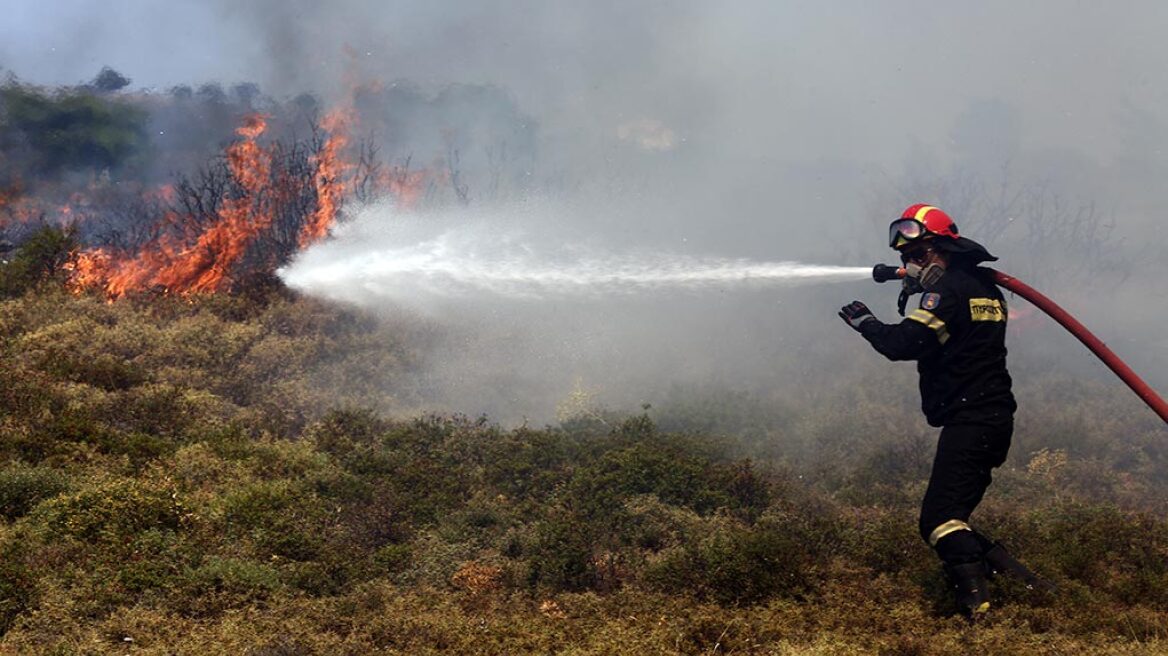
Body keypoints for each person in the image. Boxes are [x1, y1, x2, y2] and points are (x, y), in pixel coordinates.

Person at [837, 203, 1046, 618]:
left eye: (919, 254)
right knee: (952, 517)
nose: (913, 264)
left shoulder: (947, 291)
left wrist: (865, 323)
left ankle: (977, 609)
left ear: (944, 249)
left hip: (973, 419)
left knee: (938, 520)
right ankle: (1033, 589)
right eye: (907, 258)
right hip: (988, 418)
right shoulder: (982, 287)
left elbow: (903, 344)